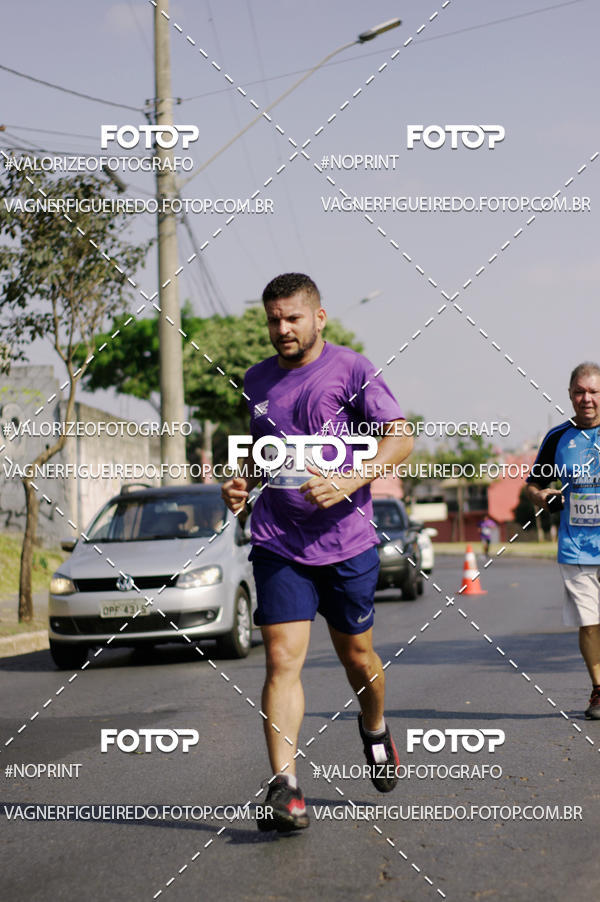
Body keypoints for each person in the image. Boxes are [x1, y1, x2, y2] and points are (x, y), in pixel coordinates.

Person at [221, 273, 413, 832]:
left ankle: (374, 726)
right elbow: (261, 455)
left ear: (318, 317)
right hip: (279, 543)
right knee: (281, 658)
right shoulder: (257, 381)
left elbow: (400, 438)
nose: (282, 328)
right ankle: (286, 787)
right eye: (274, 319)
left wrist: (353, 478)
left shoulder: (353, 370)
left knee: (358, 657)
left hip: (347, 544)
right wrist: (239, 484)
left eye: (292, 318)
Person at [526, 362, 600, 721]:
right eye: (580, 392)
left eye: (594, 392)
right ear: (570, 395)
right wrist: (542, 497)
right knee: (590, 621)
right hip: (577, 548)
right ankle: (599, 690)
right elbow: (533, 485)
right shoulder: (558, 438)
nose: (587, 399)